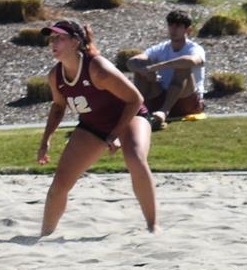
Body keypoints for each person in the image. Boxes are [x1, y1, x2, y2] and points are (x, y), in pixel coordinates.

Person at [36, 18, 157, 236]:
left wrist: (113, 135)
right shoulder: (56, 75)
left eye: (60, 38)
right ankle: (45, 235)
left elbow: (135, 99)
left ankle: (152, 226)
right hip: (94, 124)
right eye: (52, 38)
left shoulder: (97, 68)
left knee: (135, 157)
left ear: (75, 42)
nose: (54, 43)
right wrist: (46, 140)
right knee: (60, 184)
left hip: (130, 115)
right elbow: (58, 106)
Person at [127, 8, 206, 129]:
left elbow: (192, 60)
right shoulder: (162, 47)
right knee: (141, 66)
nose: (173, 29)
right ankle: (138, 110)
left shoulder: (194, 48)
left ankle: (164, 111)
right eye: (171, 25)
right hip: (163, 96)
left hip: (187, 101)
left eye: (178, 26)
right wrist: (143, 70)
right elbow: (132, 62)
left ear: (188, 30)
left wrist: (157, 66)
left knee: (183, 66)